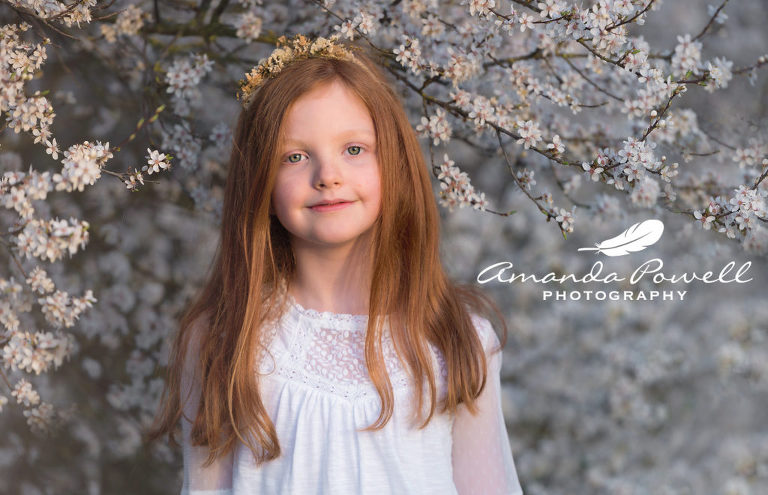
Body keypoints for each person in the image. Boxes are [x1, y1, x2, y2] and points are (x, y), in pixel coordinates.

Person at [146, 34, 524, 495]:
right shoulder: (223, 340)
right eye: (295, 156)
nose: (328, 175)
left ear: (395, 166)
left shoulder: (456, 340)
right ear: (260, 183)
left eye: (354, 149)